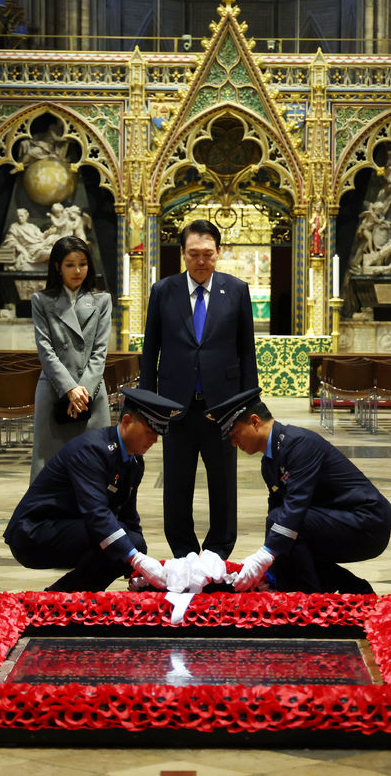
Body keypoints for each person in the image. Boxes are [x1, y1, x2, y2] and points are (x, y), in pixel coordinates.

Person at [205, 388, 391, 593]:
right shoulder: (269, 462)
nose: (234, 442)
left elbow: (295, 506)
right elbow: (278, 520)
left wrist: (264, 557)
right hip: (337, 520)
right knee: (283, 535)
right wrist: (267, 570)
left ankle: (305, 602)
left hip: (366, 524)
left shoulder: (299, 444)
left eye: (235, 433)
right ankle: (353, 590)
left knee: (284, 526)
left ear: (255, 421)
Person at [139, 218, 258, 559]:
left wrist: (250, 405)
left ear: (219, 253)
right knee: (177, 483)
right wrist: (147, 405)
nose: (201, 261)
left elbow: (246, 350)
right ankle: (184, 551)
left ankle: (218, 550)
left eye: (208, 253)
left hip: (223, 405)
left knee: (223, 483)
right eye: (194, 254)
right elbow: (151, 351)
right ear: (182, 255)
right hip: (176, 405)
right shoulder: (164, 291)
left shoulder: (236, 290)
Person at [4, 388, 183, 592]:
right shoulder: (92, 451)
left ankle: (64, 597)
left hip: (69, 526)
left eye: (158, 435)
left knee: (133, 542)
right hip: (34, 533)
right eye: (150, 432)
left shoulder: (134, 461)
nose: (154, 440)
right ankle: (57, 600)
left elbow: (128, 514)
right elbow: (96, 513)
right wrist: (135, 558)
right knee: (122, 544)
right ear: (126, 421)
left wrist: (137, 567)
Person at [30, 236, 112, 483]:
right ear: (57, 266)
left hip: (92, 392)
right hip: (55, 390)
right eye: (70, 264)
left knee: (94, 465)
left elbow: (100, 352)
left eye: (83, 264)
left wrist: (82, 390)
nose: (78, 271)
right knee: (49, 465)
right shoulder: (41, 301)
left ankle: (94, 520)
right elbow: (45, 350)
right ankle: (46, 520)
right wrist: (69, 389)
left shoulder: (102, 301)